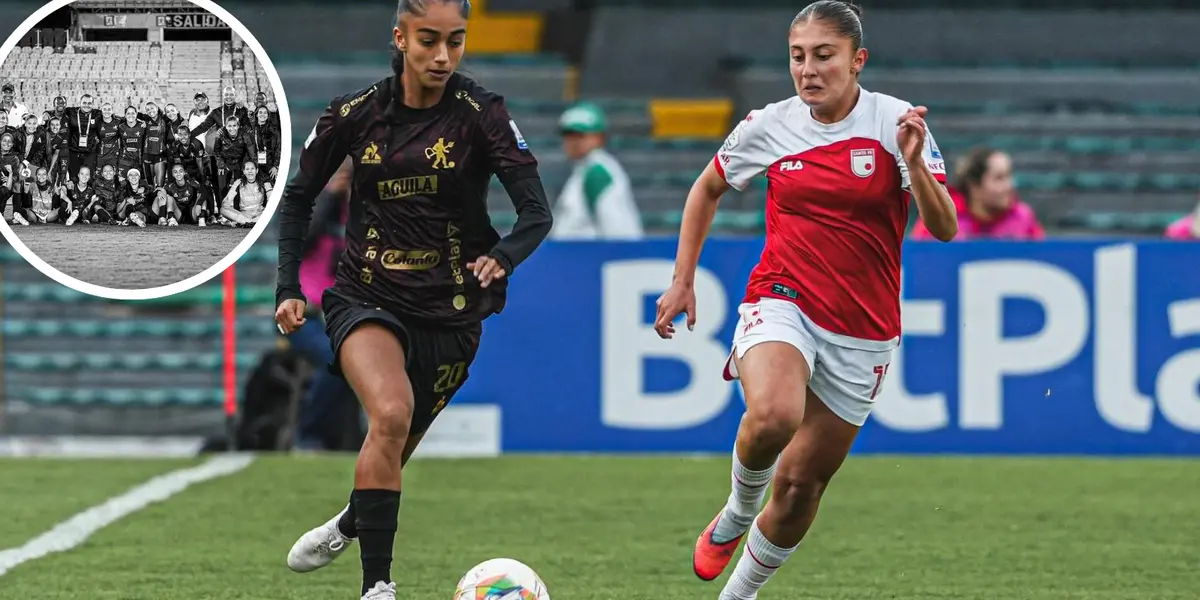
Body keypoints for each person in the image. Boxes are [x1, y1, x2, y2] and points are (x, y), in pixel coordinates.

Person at [652, 3, 957, 599]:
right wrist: (682, 278)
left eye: (824, 56)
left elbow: (944, 227)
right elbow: (707, 186)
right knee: (774, 415)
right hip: (782, 296)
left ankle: (738, 595)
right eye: (798, 56)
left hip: (864, 328)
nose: (808, 70)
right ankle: (737, 512)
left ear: (856, 60)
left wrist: (915, 164)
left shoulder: (895, 121)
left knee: (799, 489)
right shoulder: (770, 124)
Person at [273, 1, 554, 598]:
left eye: (456, 41)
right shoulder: (353, 115)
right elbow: (298, 198)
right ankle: (379, 587)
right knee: (391, 415)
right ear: (400, 37)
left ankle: (352, 520)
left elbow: (536, 212)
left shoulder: (483, 114)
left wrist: (502, 256)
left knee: (395, 446)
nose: (443, 55)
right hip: (364, 295)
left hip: (453, 310)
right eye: (429, 40)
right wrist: (289, 286)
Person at [550, 101, 644, 240]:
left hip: (592, 257)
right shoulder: (584, 169)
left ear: (599, 137)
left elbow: (618, 230)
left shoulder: (598, 172)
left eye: (580, 135)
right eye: (568, 135)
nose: (573, 141)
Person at [910, 146, 1043, 241]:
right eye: (999, 178)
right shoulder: (941, 218)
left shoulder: (1023, 218)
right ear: (974, 187)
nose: (1010, 185)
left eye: (1009, 176)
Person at [63, 94, 100, 182]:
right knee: (74, 177)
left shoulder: (97, 114)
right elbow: (58, 110)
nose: (86, 105)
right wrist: (47, 113)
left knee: (89, 177)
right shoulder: (71, 111)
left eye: (89, 103)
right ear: (80, 103)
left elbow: (112, 117)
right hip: (74, 151)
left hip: (90, 152)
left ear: (93, 104)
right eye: (84, 102)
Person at [220, 160, 270, 226]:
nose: (250, 171)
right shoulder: (239, 183)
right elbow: (225, 204)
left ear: (257, 170)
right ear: (244, 172)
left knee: (275, 211)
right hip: (244, 215)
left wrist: (268, 188)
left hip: (259, 213)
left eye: (252, 168)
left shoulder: (264, 182)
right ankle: (250, 222)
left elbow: (273, 202)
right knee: (223, 210)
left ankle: (245, 223)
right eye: (247, 169)